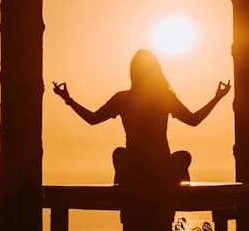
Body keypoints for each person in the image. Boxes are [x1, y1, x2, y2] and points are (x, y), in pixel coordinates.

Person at [53, 48, 231, 186]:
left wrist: (68, 100)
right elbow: (193, 120)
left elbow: (92, 119)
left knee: (119, 154)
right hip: (160, 167)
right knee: (183, 157)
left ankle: (127, 182)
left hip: (133, 167)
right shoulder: (164, 96)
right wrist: (217, 98)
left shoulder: (122, 98)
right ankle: (177, 198)